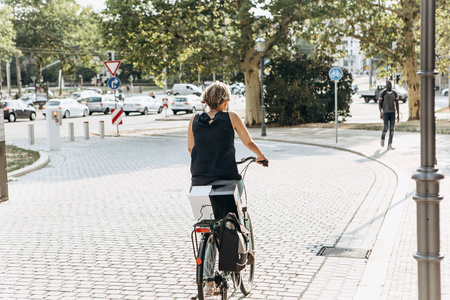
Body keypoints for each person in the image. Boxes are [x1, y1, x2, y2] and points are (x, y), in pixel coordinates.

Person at [187, 82, 266, 295]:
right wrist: (261, 157)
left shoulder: (194, 119)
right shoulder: (231, 117)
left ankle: (209, 282)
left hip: (199, 182)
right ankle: (244, 249)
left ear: (206, 100)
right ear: (225, 100)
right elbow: (248, 142)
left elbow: (191, 148)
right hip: (226, 180)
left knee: (210, 224)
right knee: (235, 216)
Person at [379, 80, 399, 150]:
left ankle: (389, 144)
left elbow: (397, 103)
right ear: (386, 85)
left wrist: (398, 114)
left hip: (392, 112)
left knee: (392, 129)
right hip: (385, 112)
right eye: (388, 85)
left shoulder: (395, 93)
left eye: (390, 85)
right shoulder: (383, 93)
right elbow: (380, 103)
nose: (389, 86)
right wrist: (381, 112)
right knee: (385, 127)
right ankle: (382, 138)